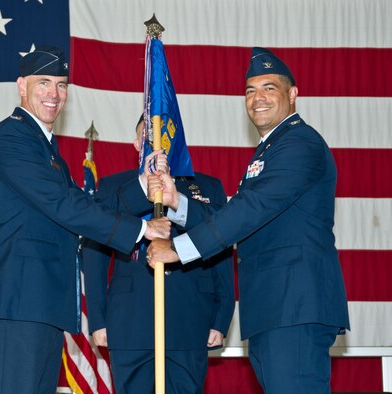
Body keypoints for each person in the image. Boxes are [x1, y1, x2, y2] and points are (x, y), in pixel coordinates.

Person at [147, 47, 350, 393]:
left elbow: (251, 209)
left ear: (293, 94)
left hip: (294, 307)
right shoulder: (271, 149)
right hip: (274, 309)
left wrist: (178, 249)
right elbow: (239, 212)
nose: (258, 98)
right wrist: (176, 201)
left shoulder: (300, 143)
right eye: (250, 90)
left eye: (270, 88)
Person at [0, 46, 170, 394]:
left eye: (62, 85)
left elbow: (78, 203)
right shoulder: (12, 136)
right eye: (44, 83)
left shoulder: (45, 148)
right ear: (22, 86)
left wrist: (141, 187)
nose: (54, 94)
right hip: (20, 304)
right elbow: (63, 205)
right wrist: (141, 228)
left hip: (42, 305)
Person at [82, 116, 234, 394]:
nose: (157, 145)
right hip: (129, 322)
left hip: (190, 318)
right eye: (148, 137)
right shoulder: (112, 187)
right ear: (136, 143)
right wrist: (98, 319)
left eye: (166, 137)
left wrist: (221, 317)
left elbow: (221, 251)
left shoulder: (208, 188)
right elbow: (95, 255)